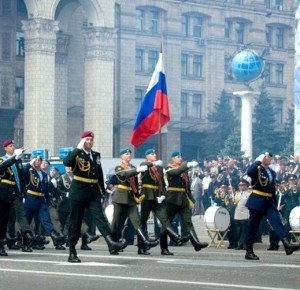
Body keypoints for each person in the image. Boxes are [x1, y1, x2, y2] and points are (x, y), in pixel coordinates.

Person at [63, 131, 127, 262]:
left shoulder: (96, 155)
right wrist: (78, 147)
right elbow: (66, 162)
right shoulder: (77, 154)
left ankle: (111, 243)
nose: (90, 142)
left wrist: (102, 192)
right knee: (75, 222)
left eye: (91, 140)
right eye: (87, 139)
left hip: (92, 192)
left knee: (100, 218)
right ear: (82, 141)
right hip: (78, 192)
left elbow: (99, 173)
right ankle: (72, 251)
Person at [245, 150, 300, 260]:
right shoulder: (257, 169)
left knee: (277, 222)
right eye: (266, 157)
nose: (269, 159)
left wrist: (274, 202)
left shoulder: (271, 172)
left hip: (269, 201)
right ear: (261, 158)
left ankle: (287, 245)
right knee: (253, 227)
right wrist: (258, 160)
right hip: (257, 200)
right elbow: (249, 172)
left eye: (270, 157)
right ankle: (249, 251)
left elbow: (272, 188)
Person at [138, 148, 186, 255]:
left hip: (158, 197)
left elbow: (163, 183)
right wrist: (153, 163)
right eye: (152, 154)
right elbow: (143, 166)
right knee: (143, 222)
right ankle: (141, 247)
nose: (154, 155)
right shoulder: (144, 164)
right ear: (147, 156)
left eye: (155, 153)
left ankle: (166, 246)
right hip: (147, 196)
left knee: (164, 220)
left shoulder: (159, 168)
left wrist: (163, 195)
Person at [110, 148, 159, 253]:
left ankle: (145, 242)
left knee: (137, 220)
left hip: (131, 198)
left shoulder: (132, 167)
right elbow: (123, 174)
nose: (128, 156)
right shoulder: (118, 167)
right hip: (120, 197)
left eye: (129, 154)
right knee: (116, 222)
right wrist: (137, 170)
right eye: (126, 154)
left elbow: (135, 184)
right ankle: (113, 245)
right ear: (121, 156)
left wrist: (137, 196)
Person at [165, 151, 208, 252]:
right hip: (172, 198)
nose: (180, 158)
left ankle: (196, 243)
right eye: (178, 157)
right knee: (167, 223)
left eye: (181, 157)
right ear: (172, 159)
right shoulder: (169, 168)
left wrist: (191, 200)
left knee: (188, 221)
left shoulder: (184, 170)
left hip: (183, 199)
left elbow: (186, 186)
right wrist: (187, 165)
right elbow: (175, 172)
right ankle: (164, 247)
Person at [23, 156, 66, 250]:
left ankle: (55, 238)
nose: (38, 162)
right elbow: (24, 171)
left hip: (41, 199)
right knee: (27, 221)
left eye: (39, 160)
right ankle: (25, 243)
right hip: (31, 199)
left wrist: (48, 200)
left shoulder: (44, 174)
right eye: (36, 160)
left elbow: (45, 189)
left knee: (46, 219)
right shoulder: (29, 171)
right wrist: (30, 163)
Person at [2, 139, 36, 253]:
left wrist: (24, 193)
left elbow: (21, 179)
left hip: (16, 192)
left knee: (22, 215)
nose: (12, 147)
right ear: (5, 148)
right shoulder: (2, 159)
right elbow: (3, 166)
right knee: (6, 219)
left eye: (13, 146)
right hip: (4, 193)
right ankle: (5, 243)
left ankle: (27, 236)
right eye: (10, 146)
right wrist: (15, 158)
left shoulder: (18, 161)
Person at [233, 179, 251, 250]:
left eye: (242, 185)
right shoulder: (237, 194)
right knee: (239, 231)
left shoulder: (249, 194)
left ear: (246, 186)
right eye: (240, 185)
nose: (241, 187)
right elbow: (235, 203)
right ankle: (240, 244)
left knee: (245, 231)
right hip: (237, 214)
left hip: (245, 214)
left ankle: (245, 245)